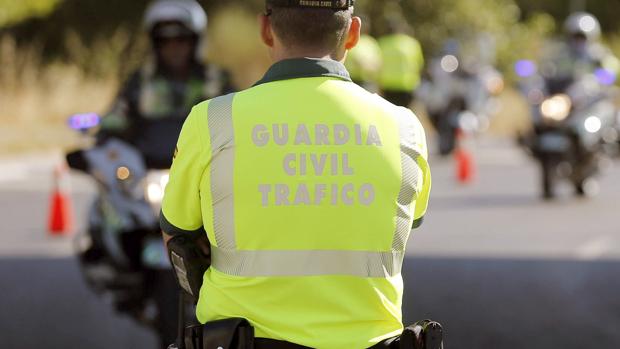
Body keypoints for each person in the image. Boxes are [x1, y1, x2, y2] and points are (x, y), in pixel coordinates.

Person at [160, 0, 432, 348]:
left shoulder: (211, 120)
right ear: (353, 34)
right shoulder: (404, 127)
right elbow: (411, 220)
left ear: (265, 30)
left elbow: (176, 234)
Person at [99, 0, 233, 169]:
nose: (173, 47)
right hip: (144, 178)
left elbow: (235, 124)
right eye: (164, 40)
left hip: (204, 173)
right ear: (155, 44)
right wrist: (103, 139)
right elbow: (115, 118)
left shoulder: (217, 80)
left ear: (195, 41)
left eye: (181, 39)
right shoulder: (139, 81)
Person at [542, 12, 619, 85]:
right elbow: (549, 70)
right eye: (576, 37)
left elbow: (611, 73)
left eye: (582, 37)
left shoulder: (599, 54)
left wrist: (595, 79)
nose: (578, 41)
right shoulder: (562, 53)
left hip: (590, 94)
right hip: (565, 90)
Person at [377, 19, 425, 108]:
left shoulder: (382, 43)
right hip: (407, 85)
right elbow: (419, 65)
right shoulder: (412, 43)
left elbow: (377, 65)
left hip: (388, 85)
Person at [344, 17, 382, 92]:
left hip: (368, 81)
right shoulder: (349, 38)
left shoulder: (371, 42)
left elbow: (378, 62)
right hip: (352, 80)